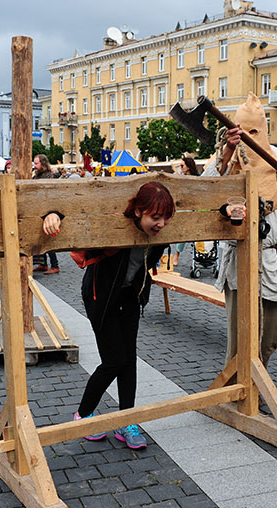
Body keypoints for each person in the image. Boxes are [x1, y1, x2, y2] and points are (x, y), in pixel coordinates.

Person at [43, 181, 176, 449]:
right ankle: (84, 414)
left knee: (129, 360)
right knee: (114, 360)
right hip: (100, 296)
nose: (161, 224)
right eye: (155, 217)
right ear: (138, 212)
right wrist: (54, 212)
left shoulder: (159, 234)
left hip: (130, 296)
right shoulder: (112, 221)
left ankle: (127, 419)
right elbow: (77, 206)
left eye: (165, 218)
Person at [202, 93, 277, 371]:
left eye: (254, 131)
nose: (248, 137)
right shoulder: (228, 159)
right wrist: (225, 154)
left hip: (273, 262)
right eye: (242, 130)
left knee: (271, 335)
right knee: (240, 338)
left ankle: (255, 381)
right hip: (240, 260)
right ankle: (238, 391)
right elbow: (203, 190)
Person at [32, 154, 60, 274]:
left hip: (47, 211)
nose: (34, 166)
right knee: (40, 238)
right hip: (37, 209)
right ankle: (43, 264)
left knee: (48, 238)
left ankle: (55, 265)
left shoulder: (49, 176)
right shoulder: (37, 176)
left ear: (43, 163)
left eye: (36, 163)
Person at [172, 156, 200, 266]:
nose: (181, 168)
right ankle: (177, 255)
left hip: (196, 209)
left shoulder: (197, 178)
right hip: (185, 209)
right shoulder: (181, 178)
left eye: (182, 165)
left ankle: (196, 257)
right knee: (182, 233)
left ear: (188, 167)